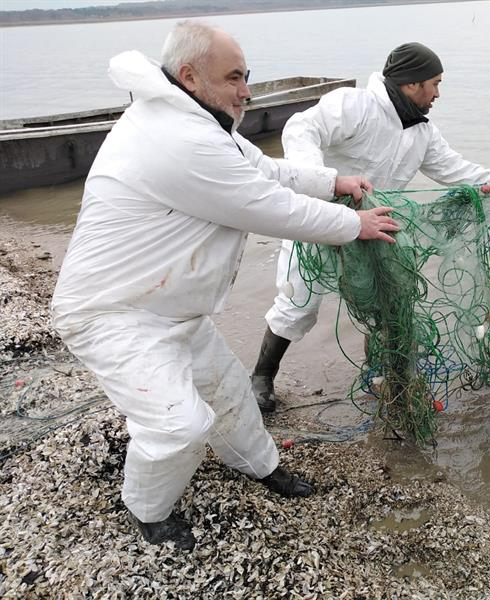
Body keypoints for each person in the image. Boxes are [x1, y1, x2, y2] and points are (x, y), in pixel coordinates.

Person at [50, 21, 399, 550]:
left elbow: (264, 171)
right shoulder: (178, 137)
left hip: (172, 307)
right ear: (190, 75)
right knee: (179, 426)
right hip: (113, 314)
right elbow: (266, 206)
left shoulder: (199, 121)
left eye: (247, 76)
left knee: (230, 394)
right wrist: (355, 224)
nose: (247, 91)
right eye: (234, 77)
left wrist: (333, 181)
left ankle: (260, 467)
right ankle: (148, 511)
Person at [252, 42, 490, 413]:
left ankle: (379, 375)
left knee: (386, 303)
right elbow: (301, 128)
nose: (438, 94)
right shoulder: (355, 105)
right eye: (435, 84)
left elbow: (459, 170)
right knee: (299, 302)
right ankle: (262, 376)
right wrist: (323, 183)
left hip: (376, 230)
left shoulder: (422, 132)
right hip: (320, 221)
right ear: (412, 84)